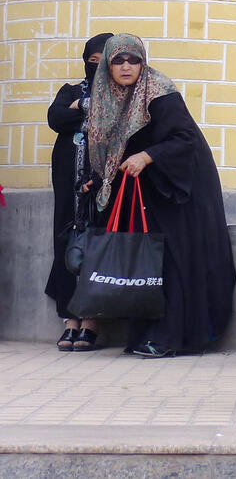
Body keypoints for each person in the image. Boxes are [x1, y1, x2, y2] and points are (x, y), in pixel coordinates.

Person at [80, 34, 236, 358]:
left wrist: (147, 156)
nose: (125, 67)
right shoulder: (110, 97)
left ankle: (170, 338)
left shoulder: (160, 93)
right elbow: (108, 146)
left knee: (171, 259)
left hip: (179, 189)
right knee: (146, 261)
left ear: (142, 63)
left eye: (133, 60)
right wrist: (98, 180)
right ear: (107, 66)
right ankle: (145, 335)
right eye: (118, 60)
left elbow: (185, 139)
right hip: (145, 190)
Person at [45, 32, 113, 352]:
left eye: (104, 63)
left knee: (97, 245)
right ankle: (69, 319)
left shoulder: (119, 95)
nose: (96, 69)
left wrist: (82, 109)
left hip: (101, 186)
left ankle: (91, 322)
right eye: (92, 62)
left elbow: (112, 122)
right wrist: (84, 107)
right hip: (66, 182)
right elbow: (56, 118)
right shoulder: (69, 90)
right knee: (66, 242)